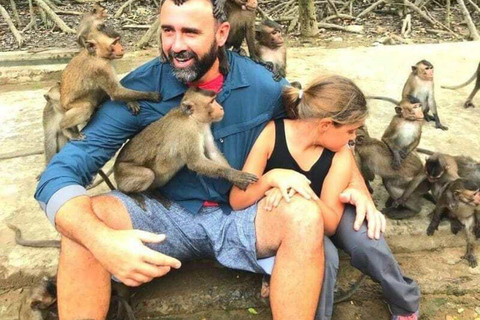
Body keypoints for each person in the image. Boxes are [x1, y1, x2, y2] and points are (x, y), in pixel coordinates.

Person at [33, 0, 413, 319]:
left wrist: (356, 186)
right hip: (165, 212)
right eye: (168, 31)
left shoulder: (262, 84)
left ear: (221, 33)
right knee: (84, 221)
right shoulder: (142, 88)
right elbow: (62, 172)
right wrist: (100, 240)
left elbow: (327, 126)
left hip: (242, 215)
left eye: (190, 33)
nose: (175, 45)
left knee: (303, 213)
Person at [230, 76, 421, 320]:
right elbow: (237, 199)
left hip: (326, 209)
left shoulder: (339, 153)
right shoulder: (272, 135)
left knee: (367, 238)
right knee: (325, 256)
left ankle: (405, 302)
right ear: (325, 125)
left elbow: (330, 224)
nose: (353, 139)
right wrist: (272, 179)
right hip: (287, 219)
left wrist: (301, 190)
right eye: (350, 130)